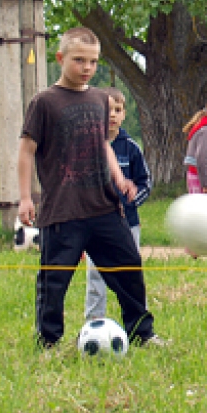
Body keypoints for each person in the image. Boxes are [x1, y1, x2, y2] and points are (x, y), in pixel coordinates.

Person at [17, 27, 160, 348]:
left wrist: (119, 178)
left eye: (93, 62)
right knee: (54, 281)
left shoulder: (99, 99)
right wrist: (26, 198)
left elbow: (103, 144)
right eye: (79, 60)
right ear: (60, 58)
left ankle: (142, 333)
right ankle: (49, 341)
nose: (87, 68)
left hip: (104, 208)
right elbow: (26, 150)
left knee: (129, 270)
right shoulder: (44, 102)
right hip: (63, 212)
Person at [85, 87, 152, 321]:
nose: (112, 115)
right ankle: (94, 320)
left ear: (124, 114)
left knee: (131, 273)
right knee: (95, 275)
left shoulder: (131, 148)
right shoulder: (89, 148)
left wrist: (133, 200)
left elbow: (146, 182)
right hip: (96, 224)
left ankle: (138, 322)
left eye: (118, 110)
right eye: (107, 109)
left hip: (128, 224)